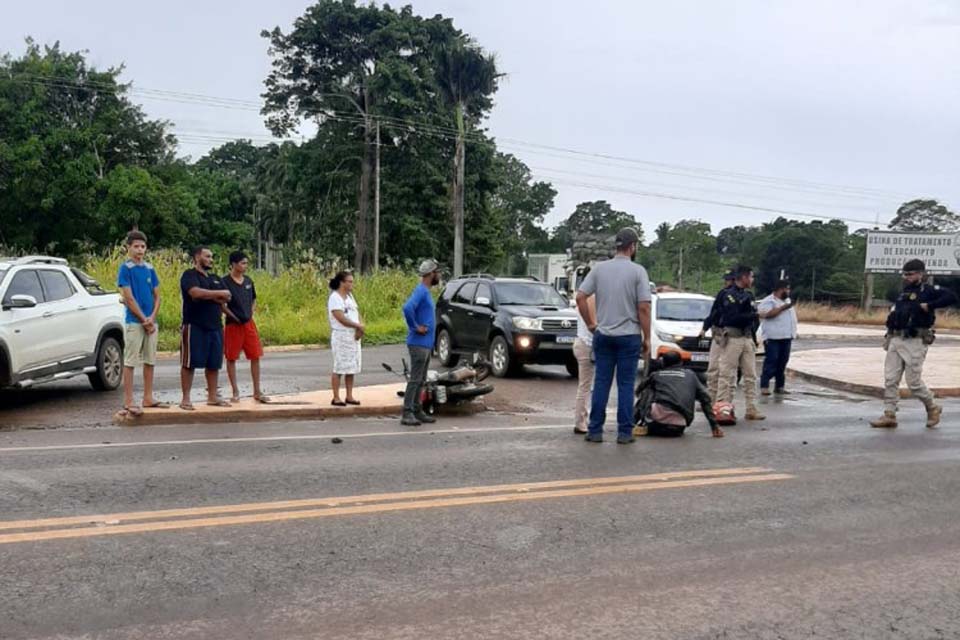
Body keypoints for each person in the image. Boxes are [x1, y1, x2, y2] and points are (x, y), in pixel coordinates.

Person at [575, 227, 652, 444]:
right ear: (633, 246)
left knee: (601, 383)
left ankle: (595, 430)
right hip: (628, 336)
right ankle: (625, 433)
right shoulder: (638, 272)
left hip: (604, 334)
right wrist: (646, 337)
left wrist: (591, 324)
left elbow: (580, 297)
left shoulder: (599, 269)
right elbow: (644, 307)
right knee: (625, 385)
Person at [870, 259, 957, 429]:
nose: (906, 277)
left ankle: (932, 407)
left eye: (910, 274)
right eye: (905, 274)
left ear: (920, 274)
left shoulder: (929, 290)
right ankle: (889, 414)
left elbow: (951, 297)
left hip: (915, 341)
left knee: (914, 383)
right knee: (890, 379)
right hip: (896, 339)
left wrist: (929, 306)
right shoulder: (903, 293)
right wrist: (888, 336)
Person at [116, 230, 167, 416]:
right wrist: (143, 319)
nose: (140, 250)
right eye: (136, 246)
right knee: (130, 361)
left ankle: (148, 396)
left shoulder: (149, 268)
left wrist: (152, 317)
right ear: (128, 248)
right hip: (135, 321)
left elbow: (157, 295)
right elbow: (129, 298)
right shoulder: (126, 269)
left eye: (143, 246)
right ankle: (129, 400)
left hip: (151, 321)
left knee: (150, 360)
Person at [179, 246, 232, 410]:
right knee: (189, 363)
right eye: (207, 256)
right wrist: (216, 294)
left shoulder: (215, 278)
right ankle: (186, 399)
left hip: (215, 325)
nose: (211, 260)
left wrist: (208, 295)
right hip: (194, 324)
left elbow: (227, 296)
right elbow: (195, 293)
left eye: (212, 257)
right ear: (197, 257)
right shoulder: (189, 275)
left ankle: (212, 396)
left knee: (214, 363)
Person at [715, 265, 765, 421]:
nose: (752, 280)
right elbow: (731, 317)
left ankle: (751, 408)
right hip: (733, 337)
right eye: (750, 277)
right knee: (727, 374)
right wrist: (751, 315)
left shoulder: (748, 295)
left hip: (747, 337)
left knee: (750, 375)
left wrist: (754, 336)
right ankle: (723, 408)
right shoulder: (728, 295)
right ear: (743, 277)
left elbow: (754, 319)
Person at [634, 352, 724, 438]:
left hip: (655, 424)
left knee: (647, 391)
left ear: (663, 363)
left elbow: (638, 391)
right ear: (681, 363)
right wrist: (714, 426)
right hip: (678, 427)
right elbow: (705, 399)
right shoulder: (691, 375)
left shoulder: (656, 375)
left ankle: (631, 424)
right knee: (699, 395)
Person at [400, 259, 441, 427]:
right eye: (437, 272)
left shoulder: (425, 291)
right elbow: (407, 308)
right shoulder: (421, 291)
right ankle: (407, 412)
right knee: (415, 379)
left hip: (425, 344)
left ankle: (417, 410)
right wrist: (415, 327)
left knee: (421, 379)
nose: (439, 275)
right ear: (431, 274)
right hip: (418, 343)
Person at [223, 251, 266, 403]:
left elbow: (254, 299)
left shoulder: (248, 281)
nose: (245, 266)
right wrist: (233, 316)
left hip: (248, 323)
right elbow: (221, 304)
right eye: (242, 263)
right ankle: (235, 391)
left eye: (246, 263)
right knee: (231, 357)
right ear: (233, 264)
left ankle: (257, 391)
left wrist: (251, 312)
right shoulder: (225, 282)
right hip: (233, 324)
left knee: (255, 355)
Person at [327, 270, 364, 407]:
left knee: (351, 367)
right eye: (349, 281)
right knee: (339, 367)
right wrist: (357, 325)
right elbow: (340, 317)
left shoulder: (350, 297)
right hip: (341, 336)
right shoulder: (335, 298)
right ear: (342, 282)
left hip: (352, 336)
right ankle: (336, 397)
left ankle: (349, 395)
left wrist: (360, 327)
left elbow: (356, 313)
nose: (352, 284)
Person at [700, 271, 736, 400]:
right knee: (714, 368)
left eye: (728, 280)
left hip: (733, 336)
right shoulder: (723, 294)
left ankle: (726, 400)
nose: (726, 282)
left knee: (728, 371)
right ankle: (712, 398)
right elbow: (714, 312)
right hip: (719, 334)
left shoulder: (743, 295)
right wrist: (705, 327)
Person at [758, 279, 798, 396]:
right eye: (787, 289)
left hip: (786, 337)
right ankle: (764, 386)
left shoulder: (787, 301)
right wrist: (783, 308)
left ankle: (779, 386)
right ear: (780, 289)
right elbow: (767, 314)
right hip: (773, 338)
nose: (789, 291)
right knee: (772, 361)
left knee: (782, 362)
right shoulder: (768, 301)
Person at [573, 290, 597, 434]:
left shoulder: (586, 298)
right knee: (586, 386)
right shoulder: (592, 299)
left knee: (585, 385)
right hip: (589, 345)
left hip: (582, 342)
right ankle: (581, 421)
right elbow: (594, 325)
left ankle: (581, 420)